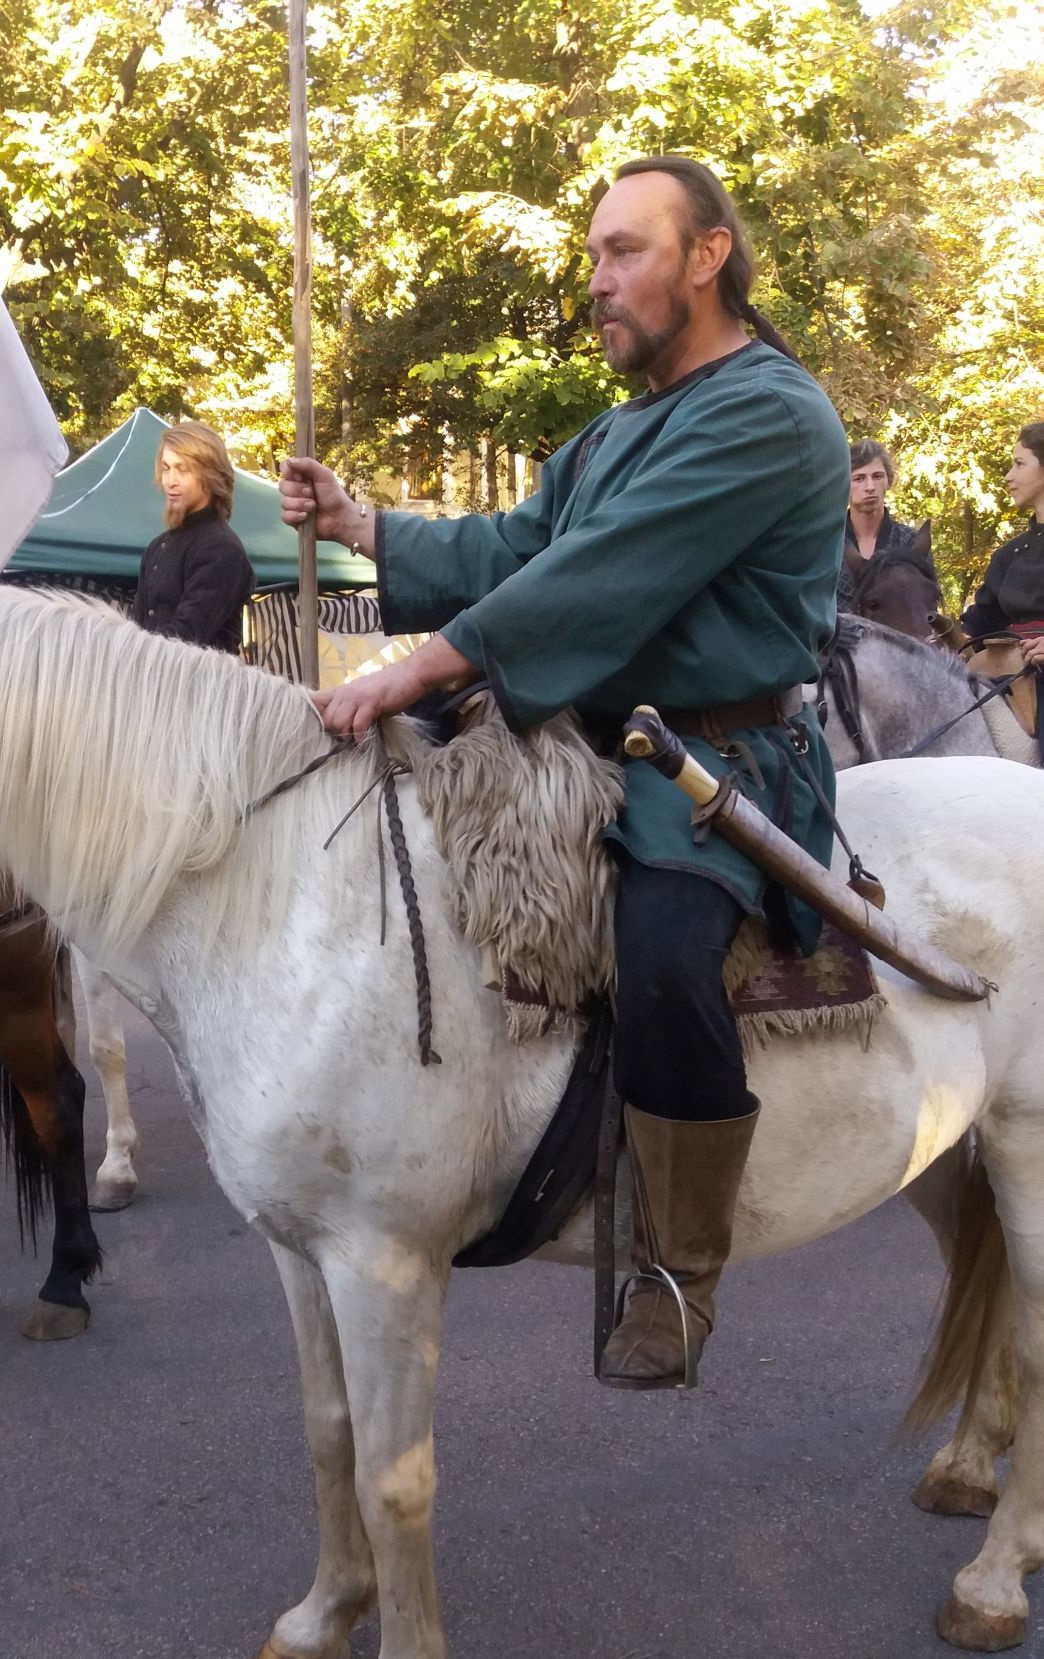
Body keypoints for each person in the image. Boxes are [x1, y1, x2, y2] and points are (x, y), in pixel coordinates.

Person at [280, 156, 849, 1390]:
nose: (598, 282)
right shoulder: (619, 426)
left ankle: (677, 1271)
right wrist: (361, 526)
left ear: (708, 255)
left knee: (657, 962)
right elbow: (520, 544)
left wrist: (410, 671)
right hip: (577, 739)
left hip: (710, 760)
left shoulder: (770, 412)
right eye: (593, 257)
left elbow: (593, 580)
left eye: (625, 251)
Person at [131, 421, 254, 654]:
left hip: (204, 686)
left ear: (209, 475)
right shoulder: (157, 547)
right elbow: (137, 628)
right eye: (166, 468)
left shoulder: (221, 549)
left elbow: (186, 639)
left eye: (182, 469)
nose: (171, 481)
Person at [961, 423, 1044, 668]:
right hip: (1012, 681)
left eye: (1019, 464)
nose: (1009, 475)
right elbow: (983, 621)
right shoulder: (1010, 555)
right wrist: (956, 641)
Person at [837, 439, 925, 611]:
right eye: (859, 478)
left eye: (877, 476)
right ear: (844, 484)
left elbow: (925, 605)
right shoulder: (827, 543)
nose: (870, 487)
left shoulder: (910, 541)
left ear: (889, 481)